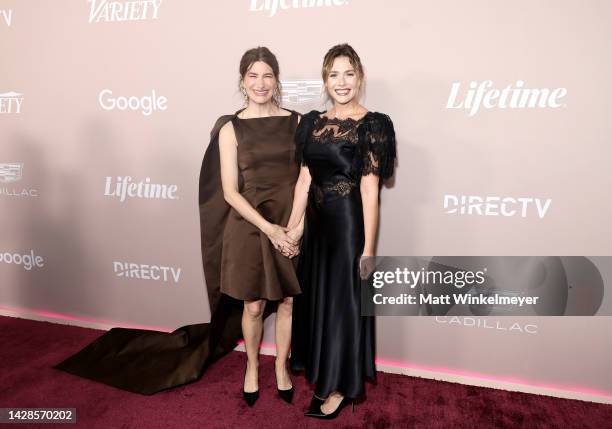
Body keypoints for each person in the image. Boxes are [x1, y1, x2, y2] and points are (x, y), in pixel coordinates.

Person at [55, 47, 301, 407]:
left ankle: (281, 367)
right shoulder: (230, 128)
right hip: (251, 226)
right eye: (252, 75)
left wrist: (294, 229)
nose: (260, 83)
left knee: (289, 302)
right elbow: (230, 193)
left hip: (290, 226)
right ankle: (251, 366)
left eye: (267, 75)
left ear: (276, 79)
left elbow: (306, 182)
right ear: (242, 80)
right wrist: (271, 229)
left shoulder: (297, 122)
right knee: (253, 307)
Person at [282, 43, 396, 419]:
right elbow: (303, 181)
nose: (342, 82)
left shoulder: (373, 125)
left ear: (359, 77)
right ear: (325, 80)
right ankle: (325, 377)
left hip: (348, 229)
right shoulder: (312, 122)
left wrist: (368, 251)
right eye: (334, 74)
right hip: (316, 229)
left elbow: (369, 191)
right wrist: (292, 228)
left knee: (341, 307)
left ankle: (338, 387)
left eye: (349, 73)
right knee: (318, 304)